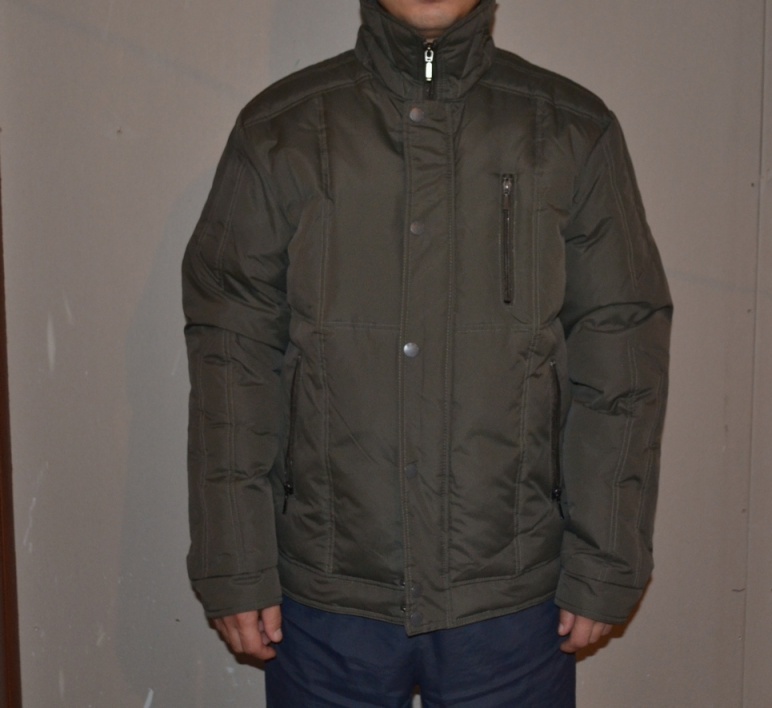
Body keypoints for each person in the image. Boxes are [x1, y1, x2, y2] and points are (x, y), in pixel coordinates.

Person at [182, 0, 672, 704]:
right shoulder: (280, 131)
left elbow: (621, 356)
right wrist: (235, 560)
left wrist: (607, 560)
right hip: (324, 600)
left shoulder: (570, 129)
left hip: (511, 603)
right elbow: (232, 357)